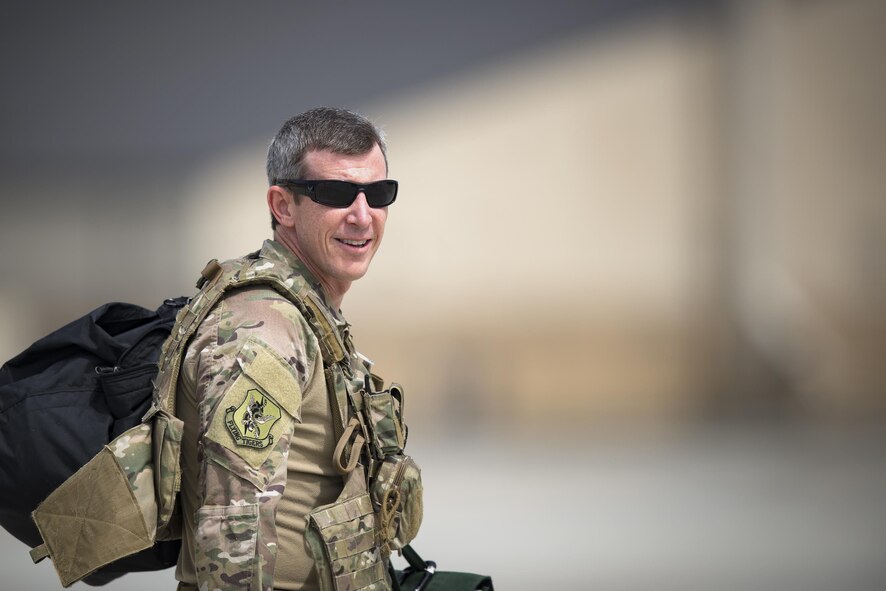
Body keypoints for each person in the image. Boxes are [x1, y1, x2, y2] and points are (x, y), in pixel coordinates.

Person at [174, 107, 402, 590]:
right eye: (337, 194)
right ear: (283, 206)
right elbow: (233, 527)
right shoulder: (264, 328)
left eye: (379, 194)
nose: (363, 216)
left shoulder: (309, 312)